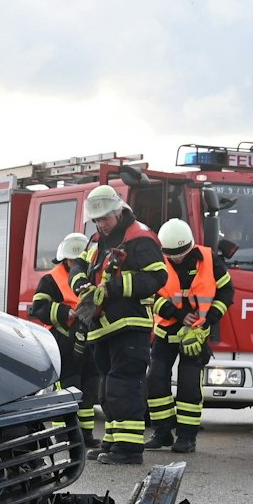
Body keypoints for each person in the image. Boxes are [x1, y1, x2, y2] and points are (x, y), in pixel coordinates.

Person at [74, 184, 165, 465]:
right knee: (109, 388)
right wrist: (82, 286)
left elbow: (156, 277)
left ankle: (129, 449)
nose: (101, 224)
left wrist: (113, 287)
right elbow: (78, 265)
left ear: (118, 211)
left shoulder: (140, 237)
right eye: (97, 220)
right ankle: (112, 442)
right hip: (103, 328)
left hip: (129, 325)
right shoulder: (99, 240)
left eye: (105, 219)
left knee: (124, 385)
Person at [143, 218, 232, 454]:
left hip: (197, 334)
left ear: (190, 246)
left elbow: (226, 291)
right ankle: (162, 432)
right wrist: (179, 314)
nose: (177, 259)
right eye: (172, 255)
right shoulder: (157, 260)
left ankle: (186, 437)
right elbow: (150, 295)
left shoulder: (209, 259)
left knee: (189, 385)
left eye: (181, 253)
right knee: (155, 380)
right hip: (165, 333)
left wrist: (209, 320)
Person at [28, 233, 100, 453]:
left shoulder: (94, 276)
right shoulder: (51, 279)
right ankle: (64, 435)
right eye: (70, 260)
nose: (74, 264)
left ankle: (86, 434)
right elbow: (38, 308)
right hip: (64, 340)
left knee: (89, 386)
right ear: (63, 259)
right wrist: (64, 312)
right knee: (68, 386)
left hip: (90, 338)